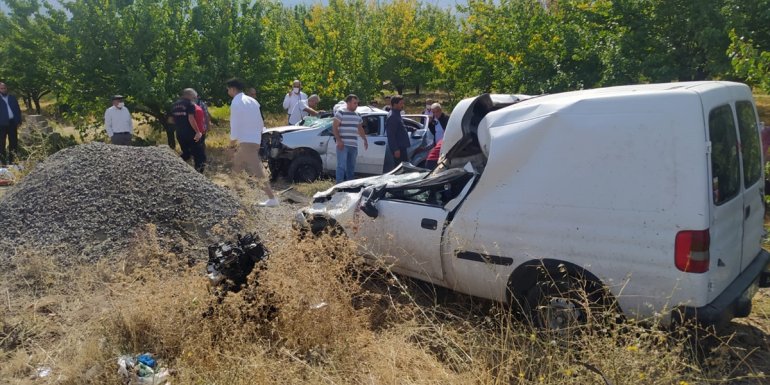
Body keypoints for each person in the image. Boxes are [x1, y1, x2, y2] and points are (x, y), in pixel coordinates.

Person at [227, 78, 279, 207]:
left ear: (232, 89)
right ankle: (237, 195)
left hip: (246, 141)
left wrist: (231, 143)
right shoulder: (253, 101)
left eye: (228, 89)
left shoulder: (236, 102)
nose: (228, 91)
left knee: (257, 169)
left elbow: (234, 124)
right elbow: (260, 121)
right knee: (237, 166)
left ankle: (272, 198)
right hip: (255, 139)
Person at [332, 94, 368, 183]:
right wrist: (339, 140)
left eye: (357, 103)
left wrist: (365, 139)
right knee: (341, 166)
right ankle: (339, 185)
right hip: (343, 145)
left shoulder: (358, 114)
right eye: (354, 103)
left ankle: (349, 185)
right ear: (348, 103)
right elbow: (334, 127)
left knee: (351, 167)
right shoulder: (341, 112)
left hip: (353, 145)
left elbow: (360, 128)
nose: (356, 105)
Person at [171, 88, 206, 172]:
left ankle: (173, 166)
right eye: (194, 97)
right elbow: (191, 118)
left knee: (186, 154)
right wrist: (197, 132)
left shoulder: (174, 105)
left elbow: (170, 120)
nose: (194, 99)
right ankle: (199, 175)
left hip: (179, 134)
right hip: (191, 134)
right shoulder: (190, 104)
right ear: (189, 95)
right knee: (200, 156)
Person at [0, 82, 23, 164]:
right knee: (1, 144)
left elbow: (17, 110)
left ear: (7, 88)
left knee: (13, 142)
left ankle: (12, 160)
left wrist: (19, 121)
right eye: (1, 88)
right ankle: (3, 162)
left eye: (4, 88)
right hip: (1, 125)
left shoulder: (12, 98)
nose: (3, 90)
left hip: (12, 123)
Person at [385, 95, 410, 168]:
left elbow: (401, 127)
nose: (402, 105)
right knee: (400, 169)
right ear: (395, 104)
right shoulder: (392, 116)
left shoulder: (397, 114)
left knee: (404, 167)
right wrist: (396, 149)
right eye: (401, 103)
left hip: (401, 147)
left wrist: (411, 128)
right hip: (399, 148)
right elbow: (391, 135)